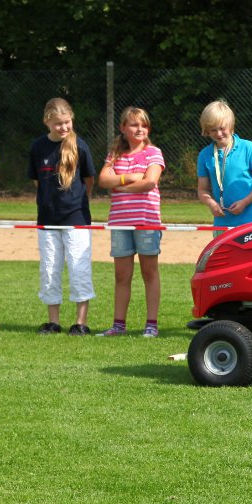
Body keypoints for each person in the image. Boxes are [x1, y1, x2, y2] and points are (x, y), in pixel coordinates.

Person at [29, 97, 96, 336]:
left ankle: (80, 322)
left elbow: (89, 180)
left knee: (79, 270)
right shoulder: (37, 147)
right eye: (58, 123)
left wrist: (78, 204)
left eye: (67, 122)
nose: (64, 127)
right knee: (49, 270)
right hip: (47, 220)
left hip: (76, 220)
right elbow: (37, 181)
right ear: (47, 122)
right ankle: (53, 322)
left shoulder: (80, 146)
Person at [96, 106, 165, 338]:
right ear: (123, 127)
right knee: (122, 276)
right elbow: (103, 180)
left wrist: (119, 185)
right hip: (120, 222)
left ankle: (151, 325)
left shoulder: (153, 153)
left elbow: (149, 182)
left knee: (149, 272)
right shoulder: (115, 154)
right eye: (134, 124)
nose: (140, 129)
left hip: (146, 221)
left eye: (144, 125)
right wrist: (128, 177)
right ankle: (118, 325)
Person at [196, 100, 252, 229]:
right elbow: (202, 189)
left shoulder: (248, 148)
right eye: (213, 129)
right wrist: (212, 204)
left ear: (230, 125)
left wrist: (245, 202)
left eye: (222, 128)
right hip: (222, 223)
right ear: (207, 130)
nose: (218, 133)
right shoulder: (205, 155)